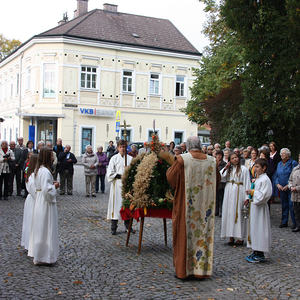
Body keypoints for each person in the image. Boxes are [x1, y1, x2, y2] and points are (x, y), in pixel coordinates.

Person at [166, 136, 217, 280]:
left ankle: (183, 271)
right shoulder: (211, 161)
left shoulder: (183, 160)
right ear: (200, 146)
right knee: (202, 233)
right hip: (205, 204)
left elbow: (171, 177)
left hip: (186, 204)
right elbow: (217, 180)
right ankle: (201, 271)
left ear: (187, 146)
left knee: (184, 234)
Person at [28, 147, 60, 265]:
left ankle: (40, 255)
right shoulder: (45, 172)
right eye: (51, 156)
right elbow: (47, 190)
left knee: (41, 228)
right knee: (46, 227)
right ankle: (45, 257)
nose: (53, 158)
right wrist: (55, 186)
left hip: (40, 201)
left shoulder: (38, 170)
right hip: (46, 202)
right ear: (47, 157)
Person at [244, 158, 272, 263]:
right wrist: (249, 197)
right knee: (254, 229)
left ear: (264, 168)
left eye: (257, 167)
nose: (255, 169)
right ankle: (255, 250)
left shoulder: (265, 180)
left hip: (260, 209)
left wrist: (253, 192)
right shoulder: (258, 178)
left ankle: (260, 252)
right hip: (254, 208)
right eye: (254, 166)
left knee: (260, 229)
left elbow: (265, 195)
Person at [220, 152, 250, 246]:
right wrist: (226, 167)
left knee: (238, 214)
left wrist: (247, 197)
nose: (235, 159)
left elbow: (247, 183)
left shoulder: (244, 169)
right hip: (229, 192)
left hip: (239, 192)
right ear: (230, 160)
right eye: (232, 158)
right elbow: (221, 177)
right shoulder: (229, 169)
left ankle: (240, 237)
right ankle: (230, 236)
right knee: (228, 213)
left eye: (236, 157)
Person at [107, 140, 132, 235]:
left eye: (124, 147)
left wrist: (128, 171)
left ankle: (128, 226)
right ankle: (114, 227)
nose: (123, 149)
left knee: (127, 205)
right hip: (117, 185)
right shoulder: (114, 158)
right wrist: (119, 175)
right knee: (116, 205)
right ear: (118, 148)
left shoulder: (130, 159)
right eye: (121, 147)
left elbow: (134, 171)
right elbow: (110, 172)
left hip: (127, 185)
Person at [274, 148, 298, 229]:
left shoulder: (293, 163)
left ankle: (295, 223)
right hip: (281, 188)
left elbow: (295, 176)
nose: (281, 155)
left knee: (292, 205)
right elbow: (276, 175)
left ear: (288, 155)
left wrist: (288, 185)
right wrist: (277, 184)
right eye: (281, 153)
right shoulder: (279, 164)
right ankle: (284, 222)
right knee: (284, 205)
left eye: (283, 153)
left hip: (290, 188)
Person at [21, 154, 38, 250]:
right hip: (32, 200)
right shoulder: (31, 175)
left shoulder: (31, 173)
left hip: (31, 199)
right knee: (30, 222)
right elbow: (32, 189)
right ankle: (29, 242)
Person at [288, 154, 300, 232]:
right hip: (294, 195)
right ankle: (298, 225)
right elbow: (290, 180)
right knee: (296, 211)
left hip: (298, 192)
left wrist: (297, 188)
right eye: (299, 158)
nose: (299, 159)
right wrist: (290, 186)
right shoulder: (295, 169)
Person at [215, 150, 226, 217]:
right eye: (217, 155)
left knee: (221, 198)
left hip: (221, 183)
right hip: (215, 183)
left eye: (220, 155)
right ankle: (216, 211)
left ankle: (221, 211)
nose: (218, 156)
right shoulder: (213, 162)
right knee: (215, 198)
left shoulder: (224, 164)